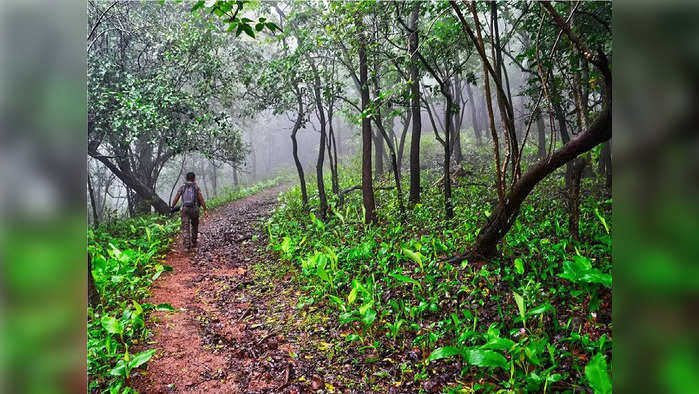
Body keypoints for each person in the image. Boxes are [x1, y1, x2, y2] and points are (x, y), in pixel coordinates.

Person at [171, 172, 208, 250]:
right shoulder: (196, 187)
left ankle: (187, 246)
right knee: (195, 225)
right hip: (194, 209)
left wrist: (172, 206)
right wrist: (205, 210)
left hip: (184, 209)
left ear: (186, 178)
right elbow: (201, 199)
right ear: (194, 179)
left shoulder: (182, 187)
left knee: (185, 227)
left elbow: (176, 197)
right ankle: (194, 242)